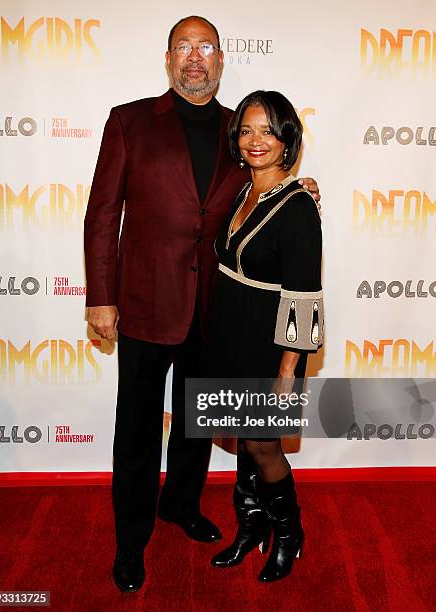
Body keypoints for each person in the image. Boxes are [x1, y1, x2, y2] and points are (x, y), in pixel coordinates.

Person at [84, 16, 320, 592]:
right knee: (136, 430)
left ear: (220, 58)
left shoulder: (236, 130)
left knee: (194, 425)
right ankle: (131, 539)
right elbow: (100, 215)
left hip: (214, 312)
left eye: (206, 47)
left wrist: (304, 189)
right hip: (141, 306)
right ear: (169, 59)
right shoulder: (130, 121)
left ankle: (181, 506)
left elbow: (264, 192)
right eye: (183, 47)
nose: (195, 57)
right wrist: (100, 297)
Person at [207, 90, 323, 582]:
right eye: (248, 130)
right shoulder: (242, 187)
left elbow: (303, 297)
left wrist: (286, 374)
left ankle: (288, 530)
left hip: (270, 348)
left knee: (262, 443)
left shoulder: (298, 206)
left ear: (288, 138)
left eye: (270, 131)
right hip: (231, 336)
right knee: (243, 440)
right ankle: (250, 526)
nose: (258, 141)